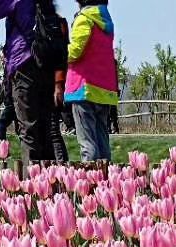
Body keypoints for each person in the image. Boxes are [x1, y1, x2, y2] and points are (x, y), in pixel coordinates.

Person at [0, 0, 61, 162]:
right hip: (46, 63)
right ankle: (50, 181)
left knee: (29, 130)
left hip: (24, 62)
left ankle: (33, 182)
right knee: (45, 130)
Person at [64, 0, 118, 162]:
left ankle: (91, 182)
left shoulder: (85, 19)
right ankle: (106, 179)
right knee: (102, 141)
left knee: (87, 143)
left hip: (84, 87)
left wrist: (58, 51)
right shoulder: (106, 22)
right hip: (103, 90)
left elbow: (74, 52)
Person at [50, 13, 70, 162]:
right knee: (50, 129)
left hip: (53, 83)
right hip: (46, 82)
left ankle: (61, 165)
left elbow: (61, 55)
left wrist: (58, 84)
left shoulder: (57, 23)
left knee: (53, 129)